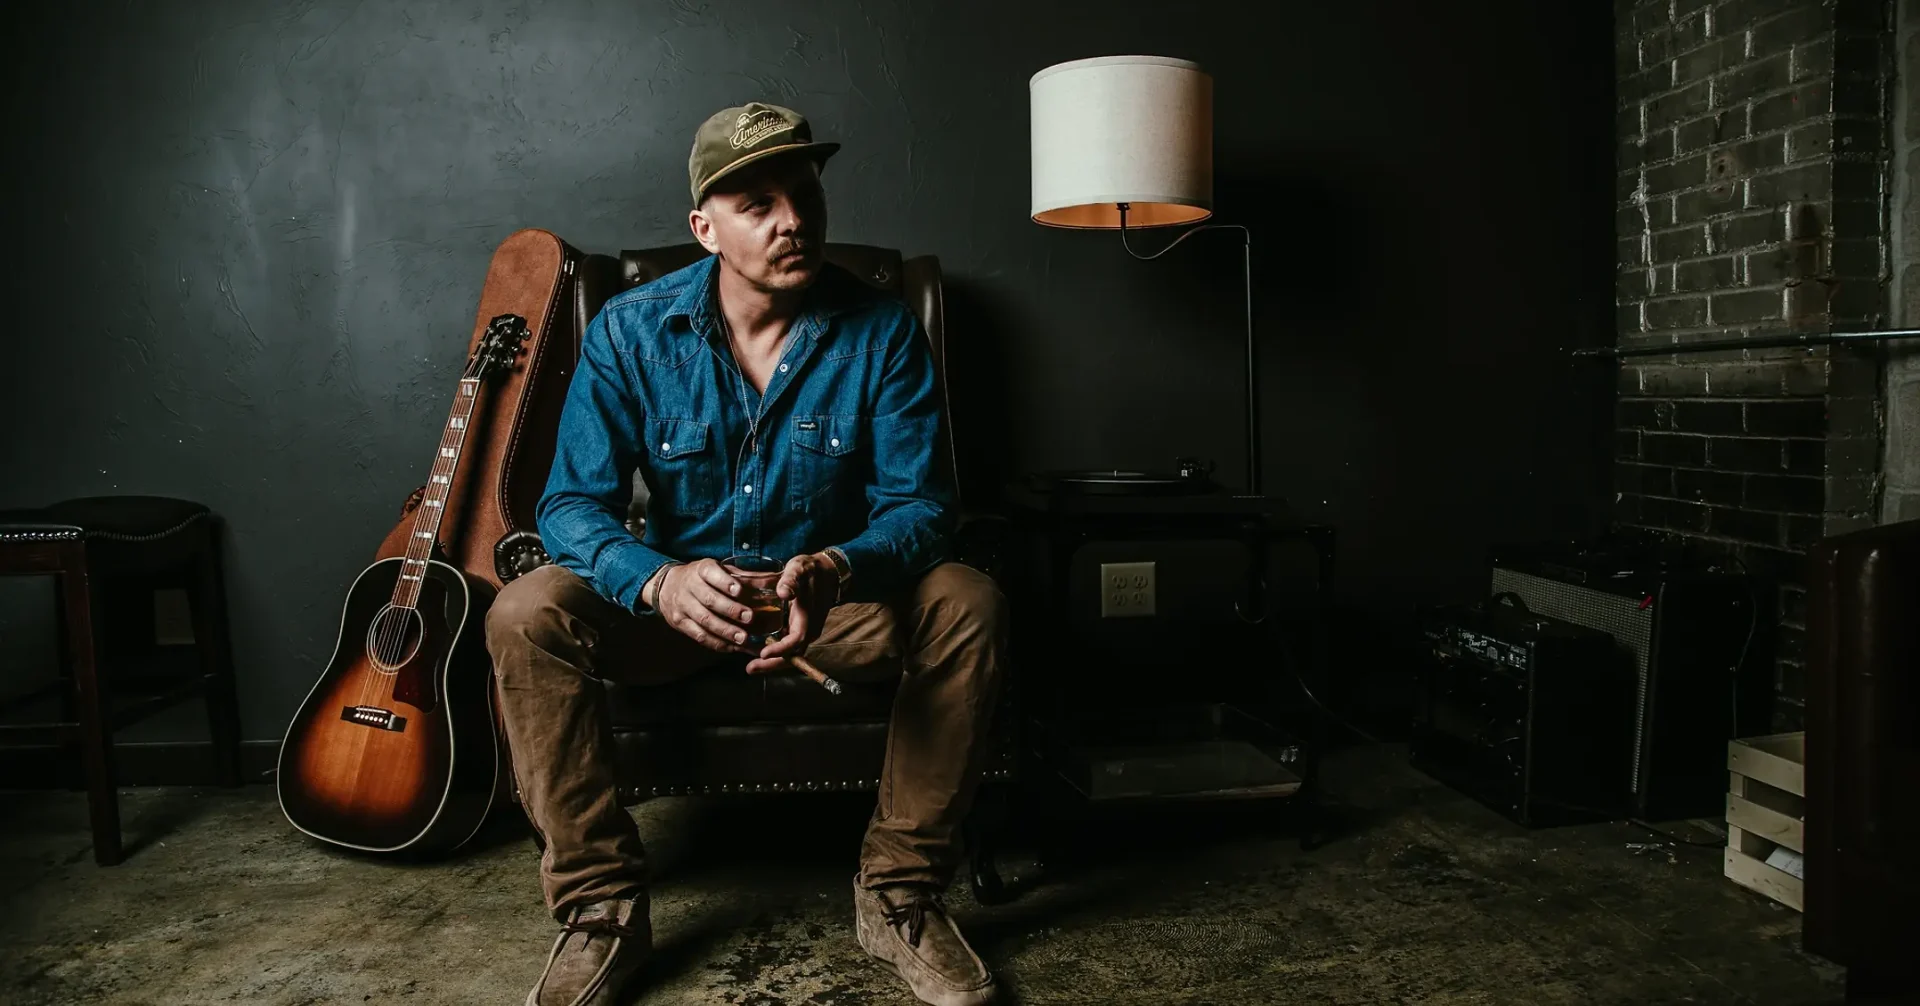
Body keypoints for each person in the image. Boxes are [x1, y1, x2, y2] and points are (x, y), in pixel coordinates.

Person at [485, 102, 1008, 1006]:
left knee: (969, 598)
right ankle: (601, 909)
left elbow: (923, 508)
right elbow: (569, 506)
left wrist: (833, 568)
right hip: (677, 609)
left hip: (832, 607)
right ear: (705, 228)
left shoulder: (882, 332)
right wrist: (657, 580)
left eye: (803, 194)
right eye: (757, 202)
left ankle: (900, 895)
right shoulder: (629, 331)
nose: (792, 219)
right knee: (524, 611)